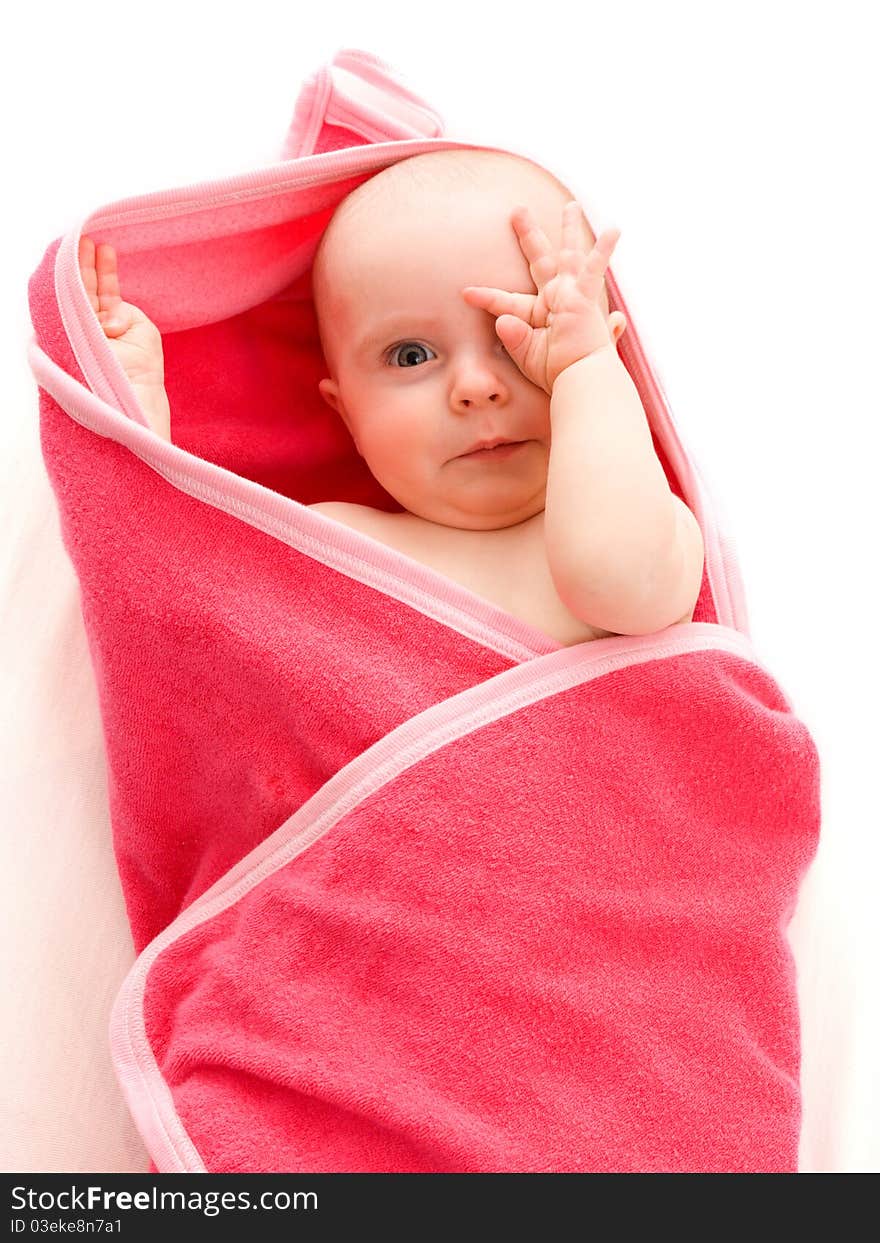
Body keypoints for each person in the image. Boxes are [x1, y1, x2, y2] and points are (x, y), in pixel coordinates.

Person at [78, 148, 704, 646]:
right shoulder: (328, 541)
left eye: (524, 335)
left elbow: (618, 582)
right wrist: (136, 423)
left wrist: (585, 372)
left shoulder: (648, 521)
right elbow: (170, 615)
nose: (477, 388)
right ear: (345, 412)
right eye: (411, 355)